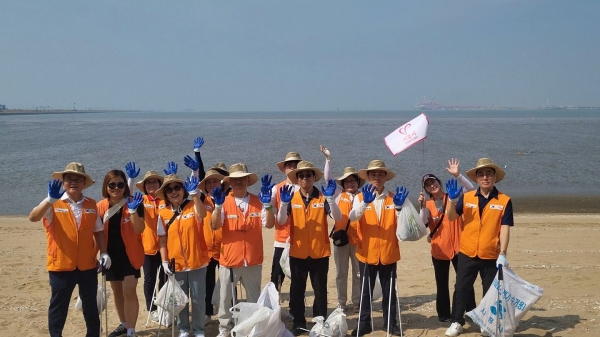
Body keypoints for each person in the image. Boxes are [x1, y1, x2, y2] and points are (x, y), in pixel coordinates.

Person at [28, 162, 110, 337]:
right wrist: (49, 199)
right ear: (63, 182)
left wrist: (104, 252)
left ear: (84, 183)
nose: (74, 182)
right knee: (59, 306)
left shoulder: (91, 203)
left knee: (90, 306)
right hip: (61, 265)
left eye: (78, 179)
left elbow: (98, 231)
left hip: (87, 265)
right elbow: (33, 217)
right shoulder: (53, 201)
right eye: (69, 179)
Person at [444, 158, 513, 337]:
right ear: (476, 178)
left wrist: (503, 253)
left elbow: (505, 228)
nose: (485, 177)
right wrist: (452, 200)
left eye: (488, 174)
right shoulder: (467, 197)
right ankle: (457, 321)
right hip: (467, 252)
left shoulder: (504, 200)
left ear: (494, 177)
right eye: (481, 174)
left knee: (490, 292)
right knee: (461, 288)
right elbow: (451, 217)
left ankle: (486, 322)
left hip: (491, 254)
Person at [211, 163, 275, 337]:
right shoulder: (223, 201)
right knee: (225, 299)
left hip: (253, 260)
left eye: (242, 178)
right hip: (230, 260)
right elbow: (214, 225)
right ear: (230, 181)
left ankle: (252, 328)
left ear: (248, 180)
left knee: (254, 299)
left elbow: (269, 224)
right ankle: (224, 329)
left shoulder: (258, 201)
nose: (238, 182)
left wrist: (268, 204)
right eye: (235, 179)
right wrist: (217, 207)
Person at [277, 160, 341, 336]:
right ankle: (298, 323)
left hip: (320, 252)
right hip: (297, 252)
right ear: (297, 179)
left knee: (320, 290)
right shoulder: (291, 197)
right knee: (297, 289)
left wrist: (331, 199)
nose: (305, 178)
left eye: (308, 175)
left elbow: (337, 217)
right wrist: (283, 204)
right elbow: (281, 221)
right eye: (301, 175)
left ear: (314, 177)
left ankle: (319, 322)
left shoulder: (322, 197)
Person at [349, 159, 408, 336]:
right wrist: (365, 203)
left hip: (389, 252)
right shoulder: (359, 197)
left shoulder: (392, 197)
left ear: (385, 177)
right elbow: (353, 217)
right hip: (367, 252)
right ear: (368, 177)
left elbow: (404, 226)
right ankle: (364, 323)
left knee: (389, 292)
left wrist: (399, 208)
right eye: (373, 174)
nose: (377, 177)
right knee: (365, 292)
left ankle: (390, 324)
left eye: (380, 174)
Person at [417, 159, 476, 323]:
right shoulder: (428, 204)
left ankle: (470, 311)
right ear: (426, 189)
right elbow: (422, 224)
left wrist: (458, 175)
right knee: (442, 284)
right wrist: (421, 207)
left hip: (459, 247)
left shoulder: (453, 196)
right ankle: (444, 314)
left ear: (439, 182)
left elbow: (471, 189)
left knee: (465, 282)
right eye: (427, 185)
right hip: (439, 250)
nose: (431, 186)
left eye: (433, 182)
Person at [156, 173, 208, 337]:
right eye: (169, 189)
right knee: (180, 299)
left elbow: (203, 215)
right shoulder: (163, 212)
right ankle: (184, 329)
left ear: (183, 189)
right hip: (175, 264)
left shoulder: (193, 205)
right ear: (165, 194)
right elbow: (162, 239)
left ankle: (199, 330)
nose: (173, 192)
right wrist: (164, 261)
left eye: (177, 187)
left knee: (198, 298)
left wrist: (195, 195)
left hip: (197, 261)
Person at [97, 170, 145, 337]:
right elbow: (97, 233)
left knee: (129, 291)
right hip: (110, 256)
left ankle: (131, 331)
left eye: (120, 184)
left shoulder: (135, 203)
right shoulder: (100, 206)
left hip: (131, 255)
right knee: (117, 292)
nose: (116, 188)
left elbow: (140, 229)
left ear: (125, 186)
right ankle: (124, 324)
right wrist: (99, 255)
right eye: (112, 184)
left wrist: (132, 212)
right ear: (106, 186)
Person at [320, 146, 363, 313]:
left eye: (353, 180)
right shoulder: (338, 193)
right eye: (347, 181)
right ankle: (341, 302)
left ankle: (357, 302)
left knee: (358, 274)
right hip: (341, 239)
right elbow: (327, 179)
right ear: (343, 184)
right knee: (341, 273)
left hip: (359, 239)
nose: (350, 183)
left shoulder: (362, 196)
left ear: (357, 182)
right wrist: (328, 160)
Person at [124, 163, 166, 318]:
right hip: (147, 247)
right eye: (148, 182)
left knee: (164, 279)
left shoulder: (165, 200)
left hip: (165, 247)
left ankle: (164, 307)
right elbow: (127, 200)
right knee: (149, 280)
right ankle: (151, 309)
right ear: (145, 186)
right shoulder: (140, 200)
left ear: (160, 184)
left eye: (155, 182)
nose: (151, 184)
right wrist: (131, 179)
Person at [269, 151, 302, 292]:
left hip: (300, 241)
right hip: (281, 239)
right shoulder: (276, 188)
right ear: (284, 168)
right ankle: (273, 308)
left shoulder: (305, 189)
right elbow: (269, 212)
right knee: (277, 276)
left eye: (296, 165)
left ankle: (294, 309)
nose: (293, 168)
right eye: (290, 165)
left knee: (297, 277)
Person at [197, 167, 227, 323]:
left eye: (215, 180)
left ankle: (227, 312)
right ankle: (207, 312)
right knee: (207, 283)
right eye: (208, 182)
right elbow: (193, 189)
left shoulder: (228, 198)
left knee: (227, 283)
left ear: (221, 182)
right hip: (207, 249)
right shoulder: (203, 199)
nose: (211, 184)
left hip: (225, 249)